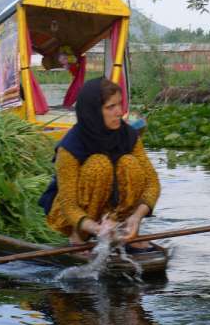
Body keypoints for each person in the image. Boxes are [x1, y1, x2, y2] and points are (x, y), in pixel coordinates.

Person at [40, 77, 160, 250]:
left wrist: (136, 217)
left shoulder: (128, 135)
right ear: (93, 112)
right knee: (99, 164)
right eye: (110, 107)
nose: (119, 112)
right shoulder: (69, 147)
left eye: (120, 104)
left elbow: (152, 183)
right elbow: (68, 205)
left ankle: (126, 228)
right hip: (74, 215)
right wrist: (97, 229)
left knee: (129, 163)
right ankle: (79, 236)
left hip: (111, 209)